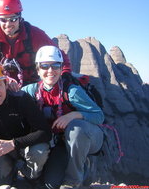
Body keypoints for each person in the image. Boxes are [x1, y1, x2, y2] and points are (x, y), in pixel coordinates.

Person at [22, 46, 104, 189]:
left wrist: (74, 115)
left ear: (61, 68)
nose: (50, 71)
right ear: (38, 70)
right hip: (58, 144)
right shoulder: (32, 90)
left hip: (86, 137)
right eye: (45, 66)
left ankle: (73, 180)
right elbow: (12, 98)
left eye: (55, 66)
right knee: (50, 185)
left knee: (76, 128)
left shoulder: (72, 91)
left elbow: (99, 116)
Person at [0, 0, 71, 90]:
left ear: (20, 18)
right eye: (3, 20)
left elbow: (59, 55)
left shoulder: (35, 35)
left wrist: (65, 75)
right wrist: (5, 80)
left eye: (13, 19)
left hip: (33, 85)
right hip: (5, 85)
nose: (8, 24)